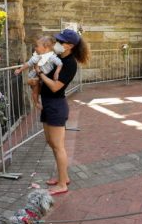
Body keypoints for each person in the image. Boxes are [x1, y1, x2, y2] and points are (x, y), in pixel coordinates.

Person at [29, 29, 90, 195]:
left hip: (56, 105)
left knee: (58, 146)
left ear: (69, 46)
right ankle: (63, 176)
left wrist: (40, 73)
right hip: (48, 103)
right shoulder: (57, 59)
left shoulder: (70, 63)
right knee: (51, 142)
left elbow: (55, 87)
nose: (56, 44)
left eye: (60, 42)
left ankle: (62, 184)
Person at [15, 36, 63, 110]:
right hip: (37, 75)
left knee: (46, 89)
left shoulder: (51, 57)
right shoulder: (37, 57)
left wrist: (57, 72)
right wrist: (20, 70)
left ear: (46, 47)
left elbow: (60, 64)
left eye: (37, 46)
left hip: (46, 77)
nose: (35, 48)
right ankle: (36, 102)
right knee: (35, 88)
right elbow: (28, 64)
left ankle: (46, 103)